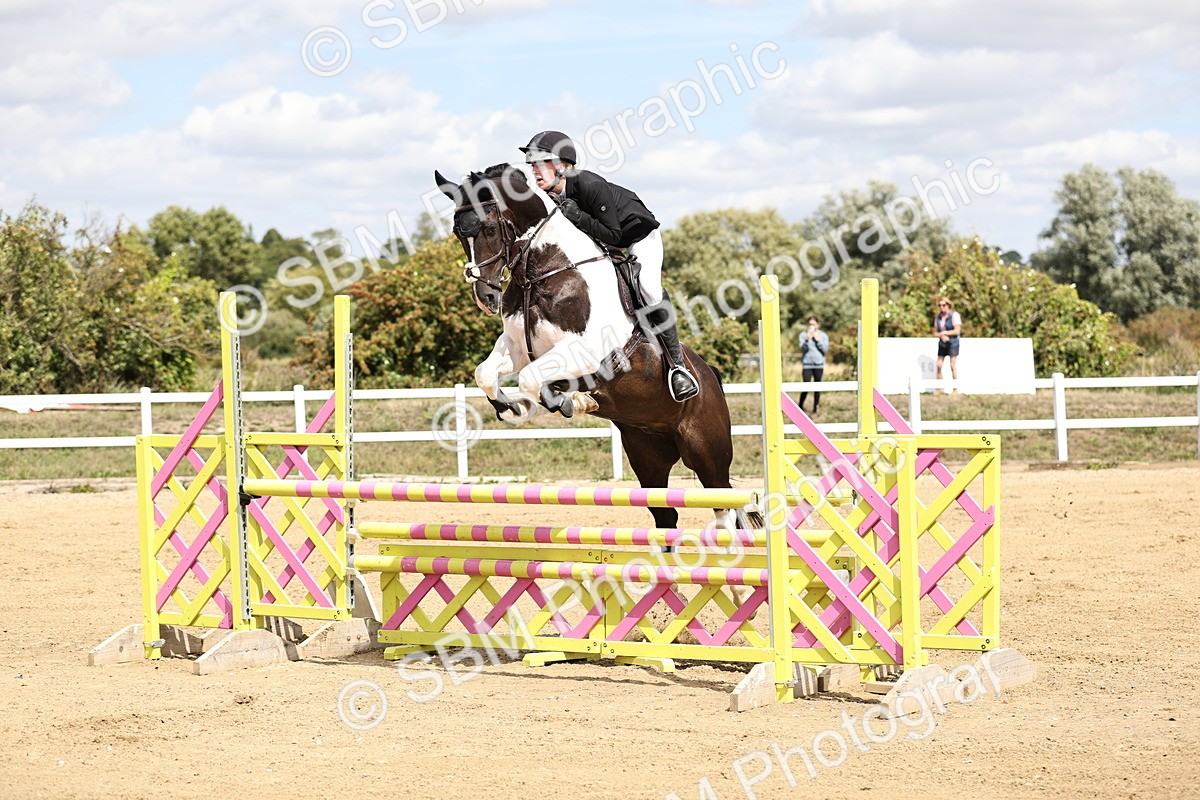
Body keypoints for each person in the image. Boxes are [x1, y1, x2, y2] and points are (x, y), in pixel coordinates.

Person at [518, 130, 700, 402]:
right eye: (531, 164)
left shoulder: (589, 184)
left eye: (540, 163)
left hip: (635, 236)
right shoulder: (550, 197)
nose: (535, 170)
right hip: (602, 243)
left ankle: (678, 367)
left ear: (562, 166)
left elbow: (615, 236)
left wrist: (577, 215)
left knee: (648, 289)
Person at [798, 316, 828, 414]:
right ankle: (800, 406)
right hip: (807, 364)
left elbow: (825, 349)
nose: (811, 326)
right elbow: (802, 349)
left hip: (819, 364)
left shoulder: (823, 336)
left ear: (817, 325)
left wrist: (817, 340)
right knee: (806, 385)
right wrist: (807, 339)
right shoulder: (803, 335)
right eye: (810, 324)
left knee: (817, 386)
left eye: (813, 324)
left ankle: (816, 407)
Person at [933, 296, 962, 394]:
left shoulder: (954, 315)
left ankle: (955, 389)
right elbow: (935, 332)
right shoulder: (938, 317)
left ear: (948, 305)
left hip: (953, 343)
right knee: (939, 365)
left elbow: (957, 330)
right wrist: (940, 335)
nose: (941, 307)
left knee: (952, 365)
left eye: (943, 305)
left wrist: (945, 333)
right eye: (939, 305)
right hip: (942, 343)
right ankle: (939, 388)